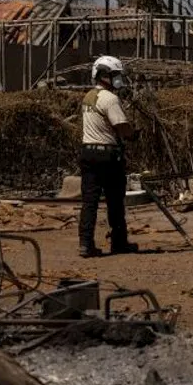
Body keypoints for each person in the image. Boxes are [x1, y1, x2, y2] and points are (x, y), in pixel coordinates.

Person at [78, 56, 138, 258]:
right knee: (115, 201)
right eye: (115, 75)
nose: (118, 79)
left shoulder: (88, 96)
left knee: (89, 202)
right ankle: (119, 243)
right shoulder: (110, 99)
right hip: (107, 155)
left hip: (87, 152)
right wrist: (133, 134)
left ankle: (85, 244)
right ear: (104, 76)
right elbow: (121, 127)